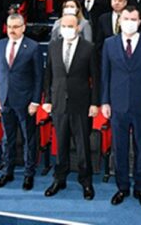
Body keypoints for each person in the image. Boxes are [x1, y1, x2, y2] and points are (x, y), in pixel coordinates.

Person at [101, 7, 141, 209]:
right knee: (120, 148)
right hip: (117, 104)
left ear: (140, 21)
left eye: (133, 19)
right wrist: (105, 101)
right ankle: (122, 187)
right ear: (120, 20)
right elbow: (105, 75)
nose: (129, 22)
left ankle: (140, 188)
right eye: (126, 18)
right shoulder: (109, 43)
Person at [42, 15, 99, 200]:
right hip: (58, 102)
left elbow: (96, 78)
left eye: (70, 26)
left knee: (82, 144)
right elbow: (48, 75)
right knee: (61, 143)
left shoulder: (88, 48)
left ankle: (86, 181)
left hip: (81, 103)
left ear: (78, 28)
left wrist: (94, 103)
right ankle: (59, 178)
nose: (67, 29)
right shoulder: (53, 46)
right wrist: (47, 99)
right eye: (64, 26)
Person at [0, 13, 42, 189]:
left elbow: (39, 77)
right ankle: (7, 171)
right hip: (4, 100)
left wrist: (35, 101)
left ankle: (28, 174)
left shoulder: (33, 47)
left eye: (16, 27)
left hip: (25, 102)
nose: (12, 30)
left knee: (28, 139)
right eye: (10, 27)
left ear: (23, 27)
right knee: (7, 139)